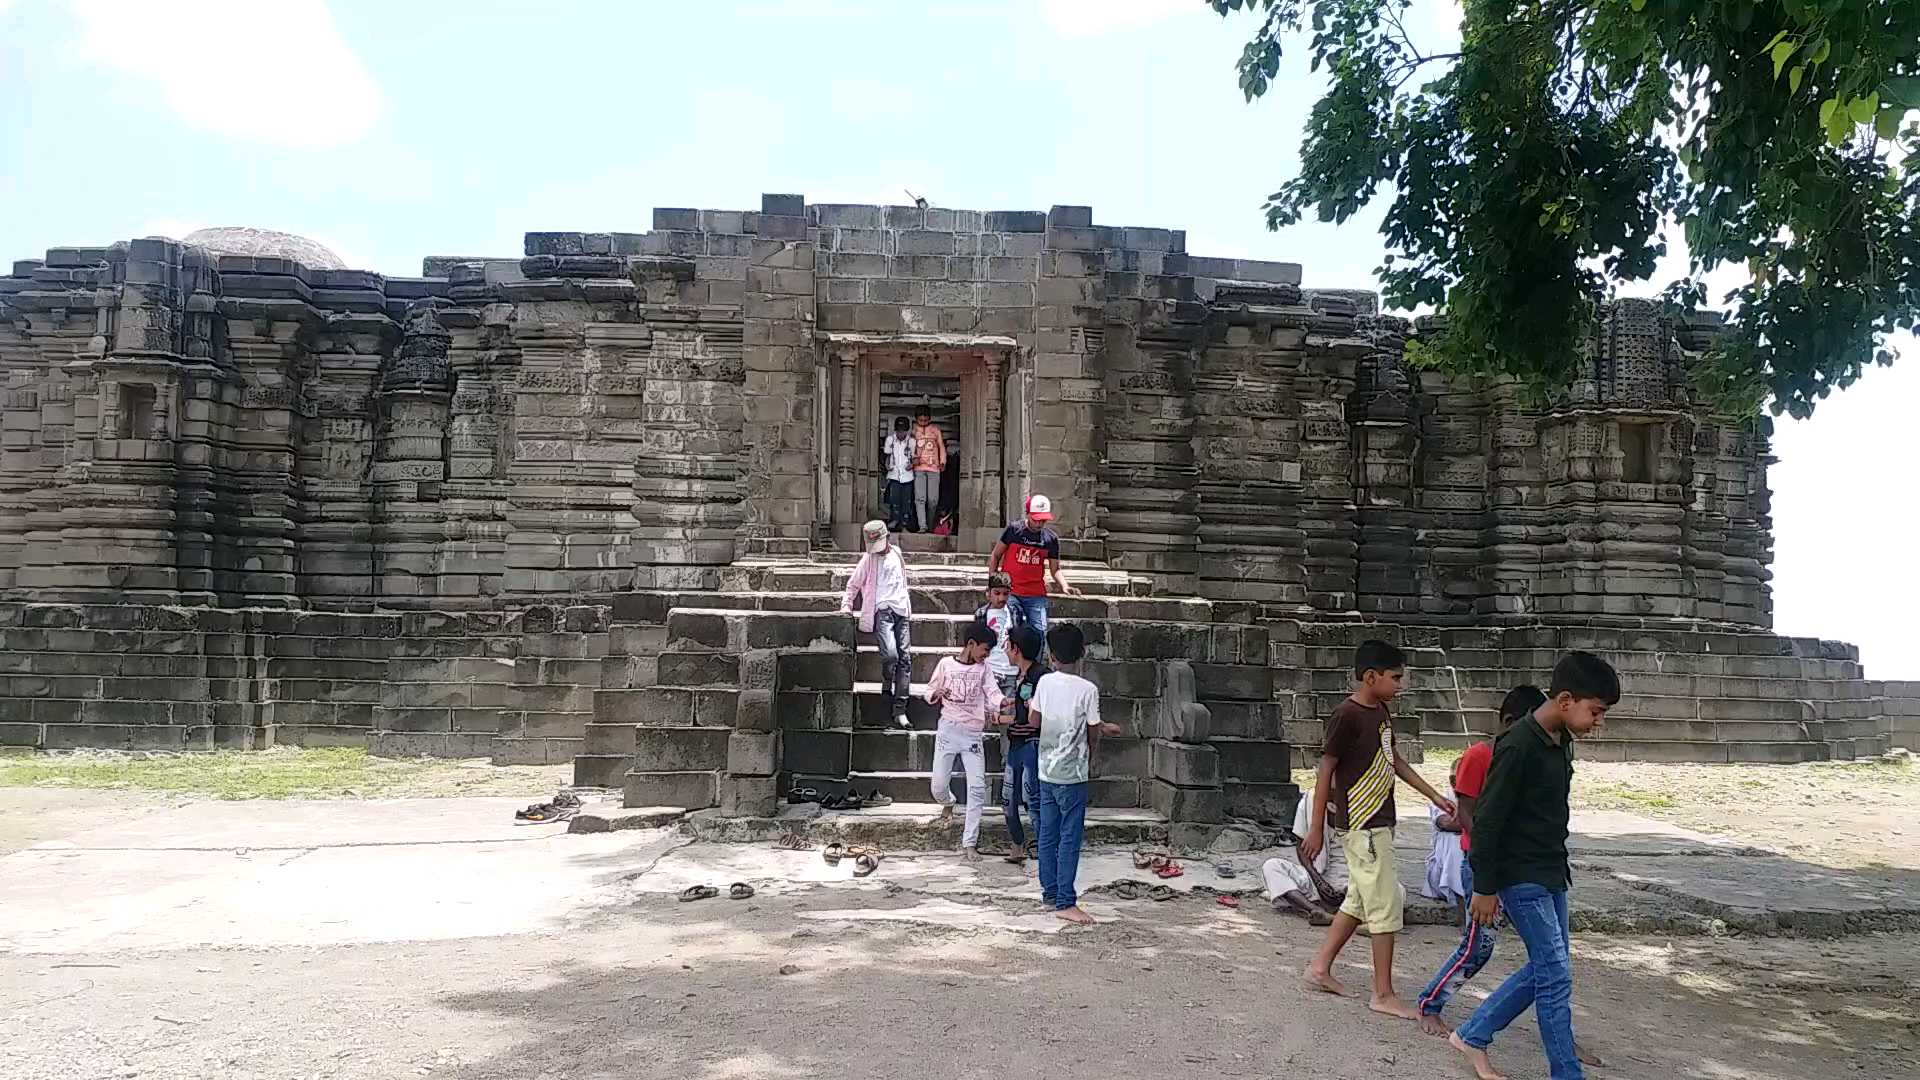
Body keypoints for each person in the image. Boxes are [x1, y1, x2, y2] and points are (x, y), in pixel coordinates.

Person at [1450, 653, 1618, 1080]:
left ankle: (1473, 1034)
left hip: (1551, 872)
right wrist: (1483, 888)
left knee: (1549, 967)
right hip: (1518, 876)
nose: (1598, 721)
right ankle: (1566, 1073)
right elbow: (1486, 821)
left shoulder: (1562, 739)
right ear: (1565, 699)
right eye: (1595, 711)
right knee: (1555, 975)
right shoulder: (1518, 745)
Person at [1300, 639, 1456, 1019]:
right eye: (1395, 677)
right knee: (1384, 906)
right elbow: (1326, 770)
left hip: (1379, 822)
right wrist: (1317, 827)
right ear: (1371, 677)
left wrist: (1435, 795)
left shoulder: (1382, 712)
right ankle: (1382, 992)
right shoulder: (1347, 715)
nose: (1400, 685)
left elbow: (1395, 761)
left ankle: (1319, 968)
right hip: (1362, 826)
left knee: (1359, 899)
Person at [1417, 685, 1545, 1035]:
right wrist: (1485, 858)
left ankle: (1557, 1031)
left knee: (1548, 955)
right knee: (1478, 946)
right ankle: (1430, 1002)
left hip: (1519, 866)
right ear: (1509, 722)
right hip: (1483, 864)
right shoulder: (1480, 756)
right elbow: (1466, 814)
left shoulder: (1531, 759)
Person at [1028, 623, 1122, 925]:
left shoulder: (1043, 683)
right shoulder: (1088, 690)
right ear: (1082, 653)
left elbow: (1034, 720)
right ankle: (1067, 901)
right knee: (1069, 838)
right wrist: (1093, 751)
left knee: (1047, 835)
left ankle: (1050, 895)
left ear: (1052, 654)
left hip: (1046, 769)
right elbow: (1092, 731)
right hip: (1074, 773)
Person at [925, 623, 1005, 861]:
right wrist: (936, 694)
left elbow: (993, 693)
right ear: (970, 644)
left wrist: (1004, 703)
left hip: (972, 735)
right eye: (984, 649)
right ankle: (948, 802)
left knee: (977, 788)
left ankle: (969, 842)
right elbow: (929, 690)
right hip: (948, 730)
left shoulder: (984, 669)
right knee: (938, 786)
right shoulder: (945, 665)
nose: (986, 655)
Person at [839, 519, 912, 728]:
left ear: (887, 537)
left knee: (905, 659)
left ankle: (900, 708)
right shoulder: (869, 559)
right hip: (882, 611)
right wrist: (847, 605)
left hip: (902, 611)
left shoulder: (896, 553)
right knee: (891, 655)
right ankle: (887, 685)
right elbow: (853, 584)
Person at [987, 493, 1075, 637]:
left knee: (1040, 632)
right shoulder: (1014, 531)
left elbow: (1055, 569)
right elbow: (996, 555)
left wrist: (1064, 585)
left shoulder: (1050, 539)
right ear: (1028, 514)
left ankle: (1035, 660)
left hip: (1035, 594)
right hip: (1012, 591)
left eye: (1043, 521)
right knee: (1013, 626)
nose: (1039, 524)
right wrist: (993, 581)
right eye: (1036, 520)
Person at [996, 624, 1048, 865]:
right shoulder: (1023, 677)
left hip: (1032, 745)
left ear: (1016, 649)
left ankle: (1045, 848)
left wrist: (1001, 718)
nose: (1005, 650)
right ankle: (1018, 845)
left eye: (1007, 646)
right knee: (1008, 799)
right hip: (1016, 743)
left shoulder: (1041, 677)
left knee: (1032, 800)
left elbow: (1033, 717)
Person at [1261, 789, 1350, 925]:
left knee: (1386, 887)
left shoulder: (1361, 802)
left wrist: (1347, 889)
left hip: (1352, 880)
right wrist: (1318, 881)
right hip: (1317, 877)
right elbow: (1301, 846)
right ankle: (1316, 910)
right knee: (1272, 866)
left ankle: (1345, 910)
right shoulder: (1309, 801)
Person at [1424, 757, 1471, 911]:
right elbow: (1447, 823)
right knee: (1455, 842)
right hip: (1442, 872)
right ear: (1453, 780)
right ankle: (1463, 912)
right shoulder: (1444, 800)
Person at [975, 572, 1022, 699]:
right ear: (988, 593)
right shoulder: (981, 614)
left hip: (1010, 671)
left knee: (1008, 711)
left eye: (1005, 594)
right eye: (997, 593)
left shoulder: (1015, 613)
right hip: (990, 670)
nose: (1001, 598)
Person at [909, 405, 946, 533]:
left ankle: (930, 525)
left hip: (934, 469)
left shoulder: (935, 431)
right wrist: (913, 459)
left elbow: (941, 446)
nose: (923, 423)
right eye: (920, 421)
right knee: (920, 499)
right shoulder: (913, 432)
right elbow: (910, 449)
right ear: (916, 419)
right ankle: (922, 526)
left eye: (926, 420)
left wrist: (942, 461)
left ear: (930, 419)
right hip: (919, 469)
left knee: (933, 500)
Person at [882, 416, 916, 531]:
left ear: (907, 431)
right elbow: (887, 456)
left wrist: (912, 465)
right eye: (899, 431)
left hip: (908, 475)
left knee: (907, 500)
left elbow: (915, 458)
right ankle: (894, 520)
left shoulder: (912, 441)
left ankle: (905, 523)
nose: (901, 434)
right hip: (894, 474)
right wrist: (887, 466)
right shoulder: (890, 440)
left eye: (903, 431)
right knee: (894, 499)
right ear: (895, 430)